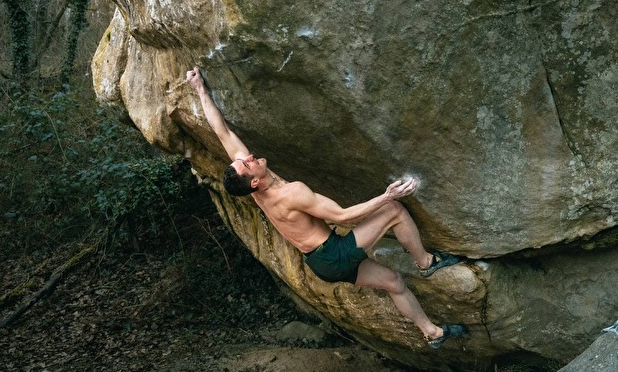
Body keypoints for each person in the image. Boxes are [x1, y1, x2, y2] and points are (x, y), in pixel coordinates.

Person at [184, 67, 467, 349]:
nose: (248, 157)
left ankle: (432, 333)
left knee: (394, 281)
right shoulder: (291, 193)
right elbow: (343, 216)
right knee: (395, 210)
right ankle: (425, 262)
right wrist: (385, 196)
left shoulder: (253, 187)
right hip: (334, 254)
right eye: (246, 163)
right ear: (255, 180)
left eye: (242, 160)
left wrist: (200, 90)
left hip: (321, 263)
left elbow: (222, 132)